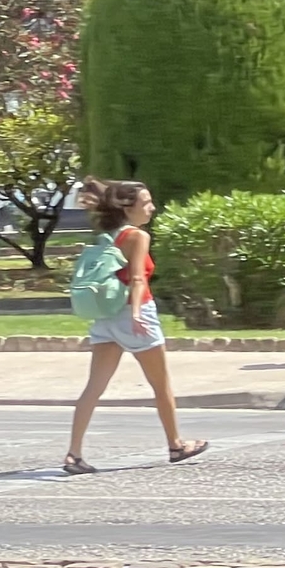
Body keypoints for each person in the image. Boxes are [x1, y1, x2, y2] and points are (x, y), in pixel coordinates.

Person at [62, 179, 204, 474]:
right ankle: (176, 445)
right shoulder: (137, 236)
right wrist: (138, 313)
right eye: (146, 202)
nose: (152, 207)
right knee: (161, 385)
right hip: (133, 314)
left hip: (106, 315)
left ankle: (74, 454)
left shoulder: (108, 235)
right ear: (128, 207)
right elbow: (138, 278)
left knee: (94, 387)